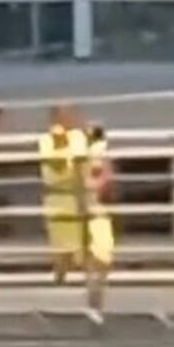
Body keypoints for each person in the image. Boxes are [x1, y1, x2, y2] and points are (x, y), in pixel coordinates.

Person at [38, 106, 87, 283]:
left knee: (81, 241)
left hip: (76, 193)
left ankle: (84, 282)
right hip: (56, 195)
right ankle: (60, 277)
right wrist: (60, 140)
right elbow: (56, 166)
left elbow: (80, 166)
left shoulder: (78, 137)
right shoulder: (46, 139)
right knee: (59, 242)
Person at [84, 122, 116, 306]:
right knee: (101, 252)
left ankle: (95, 288)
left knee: (98, 252)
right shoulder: (98, 156)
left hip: (93, 207)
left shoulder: (93, 156)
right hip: (95, 208)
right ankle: (95, 288)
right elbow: (106, 180)